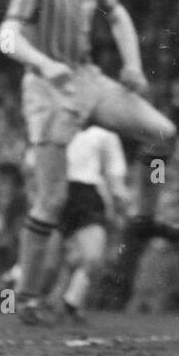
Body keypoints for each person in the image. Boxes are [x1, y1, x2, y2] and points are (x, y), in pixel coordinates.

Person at [0, 0, 178, 325]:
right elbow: (6, 35)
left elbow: (117, 15)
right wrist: (42, 63)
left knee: (163, 133)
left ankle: (145, 217)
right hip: (48, 89)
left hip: (89, 80)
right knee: (51, 199)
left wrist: (132, 64)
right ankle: (26, 298)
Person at [58, 124, 130, 320]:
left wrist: (119, 199)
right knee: (50, 262)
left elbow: (115, 175)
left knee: (92, 258)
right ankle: (14, 285)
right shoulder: (59, 122)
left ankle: (70, 302)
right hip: (57, 189)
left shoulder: (106, 133)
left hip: (86, 195)